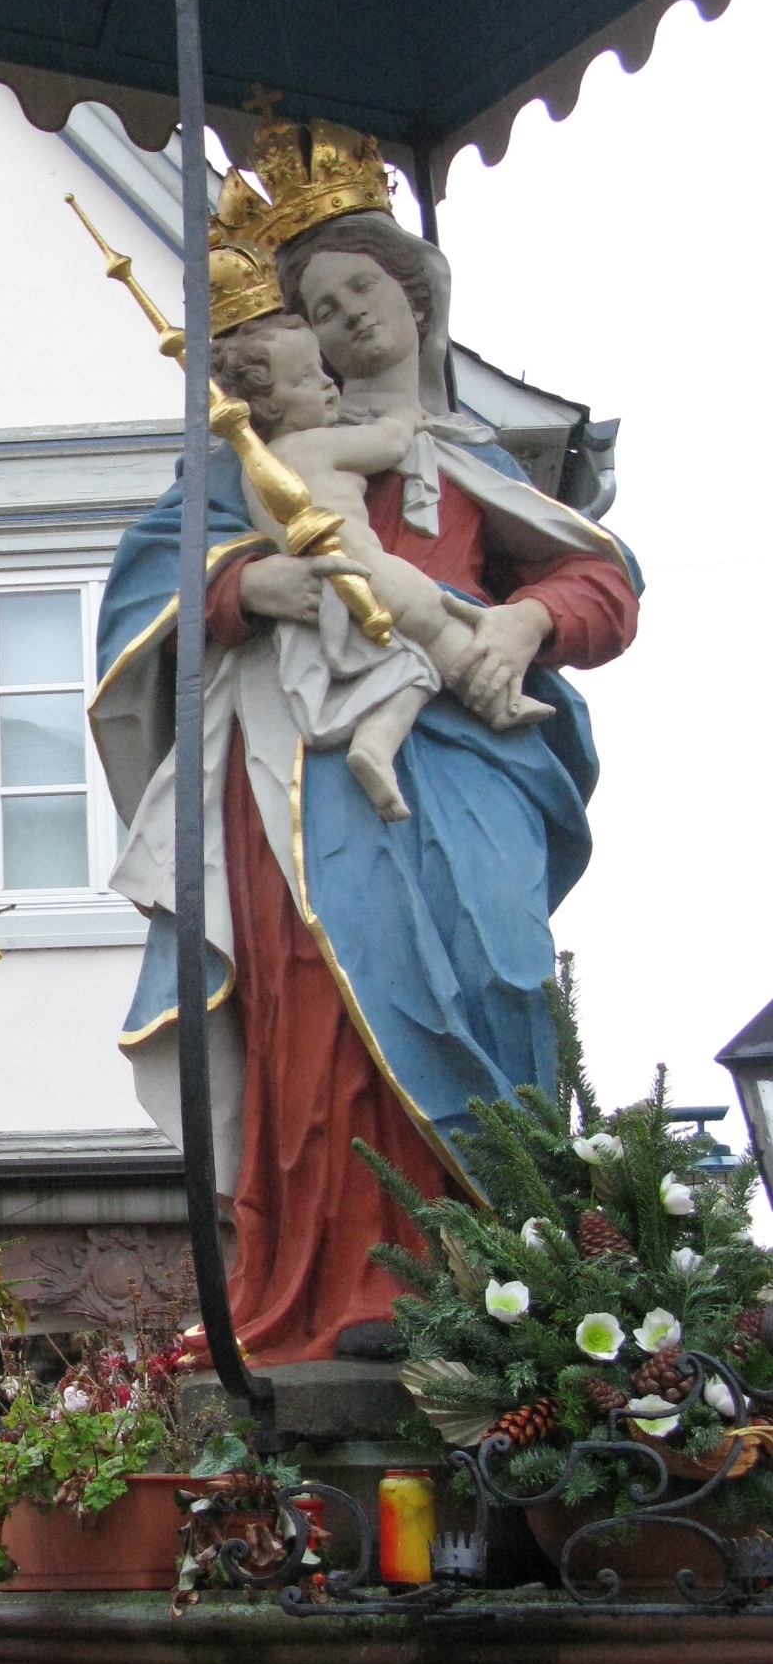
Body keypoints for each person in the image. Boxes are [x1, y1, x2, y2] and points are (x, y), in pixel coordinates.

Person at [90, 122, 639, 1364]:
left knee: (499, 973)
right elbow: (149, 586)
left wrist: (528, 621)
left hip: (471, 751)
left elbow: (601, 585)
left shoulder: (472, 454)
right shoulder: (249, 459)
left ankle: (514, 1281)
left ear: (420, 297)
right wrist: (248, 587)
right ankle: (349, 1285)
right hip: (303, 771)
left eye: (364, 293)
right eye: (322, 309)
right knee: (320, 1008)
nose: (348, 323)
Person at [213, 308, 552, 822]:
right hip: (366, 571)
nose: (328, 384)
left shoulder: (251, 472)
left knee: (411, 666)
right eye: (305, 379)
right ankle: (496, 700)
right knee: (438, 627)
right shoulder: (313, 444)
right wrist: (405, 418)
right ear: (268, 406)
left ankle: (374, 743)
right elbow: (389, 444)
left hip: (330, 598)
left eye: (322, 370)